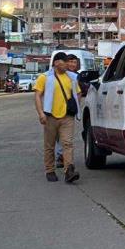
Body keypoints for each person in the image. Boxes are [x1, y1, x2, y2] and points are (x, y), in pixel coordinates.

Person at [34, 52, 79, 183]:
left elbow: (77, 94)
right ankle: (50, 170)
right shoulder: (45, 77)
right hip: (50, 117)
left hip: (67, 117)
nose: (68, 65)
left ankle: (68, 171)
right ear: (56, 63)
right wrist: (41, 113)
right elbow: (37, 95)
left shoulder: (71, 77)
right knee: (50, 145)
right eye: (65, 62)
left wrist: (75, 108)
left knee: (67, 143)